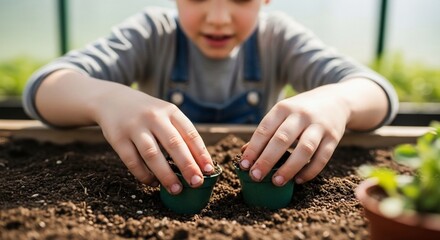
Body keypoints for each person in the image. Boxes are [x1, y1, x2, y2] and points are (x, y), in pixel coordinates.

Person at [23, 0, 398, 195]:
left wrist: (338, 102)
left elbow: (376, 92)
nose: (218, 17)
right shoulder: (152, 33)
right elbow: (43, 89)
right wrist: (104, 99)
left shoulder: (278, 38)